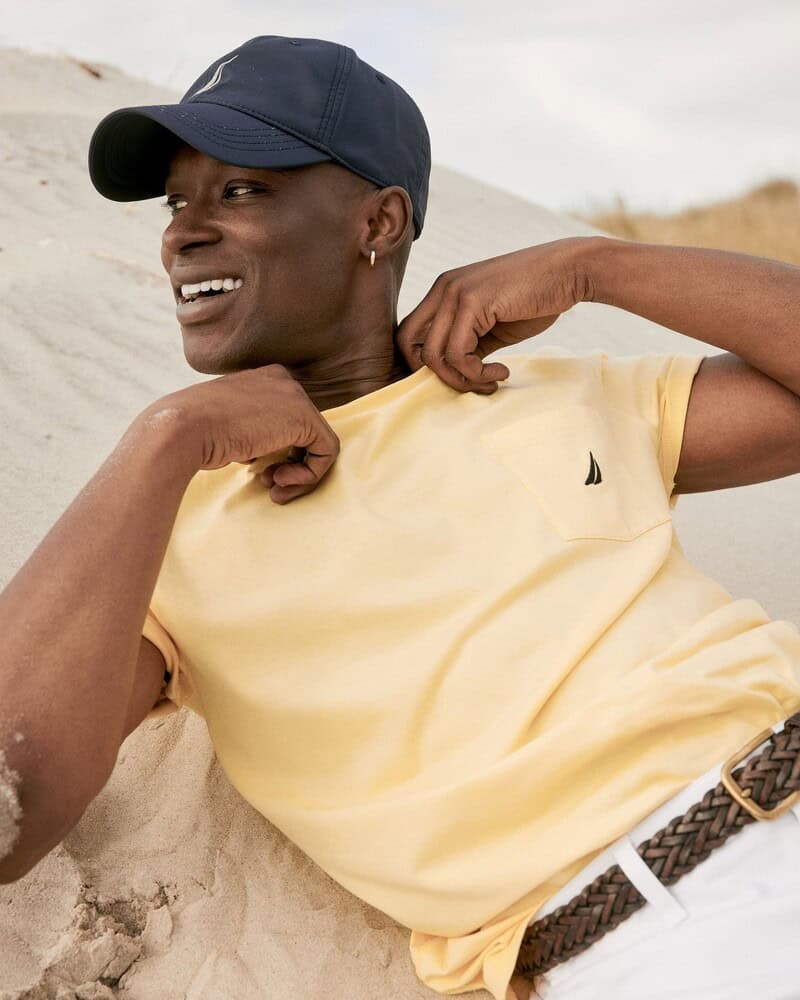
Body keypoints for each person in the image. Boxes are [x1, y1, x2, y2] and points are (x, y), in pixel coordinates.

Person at [1, 33, 799, 1000]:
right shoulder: (164, 538)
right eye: (176, 203)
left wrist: (596, 264)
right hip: (656, 942)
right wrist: (161, 442)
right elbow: (14, 808)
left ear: (379, 223)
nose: (182, 233)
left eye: (239, 191)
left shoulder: (545, 393)